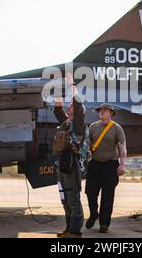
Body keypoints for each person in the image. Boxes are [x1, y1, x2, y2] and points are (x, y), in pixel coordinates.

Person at [85, 103, 127, 233]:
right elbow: (87, 144)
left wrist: (122, 164)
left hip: (110, 165)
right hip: (95, 164)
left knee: (107, 196)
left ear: (111, 113)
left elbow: (122, 148)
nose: (101, 112)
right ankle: (93, 214)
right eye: (100, 110)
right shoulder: (93, 127)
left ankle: (104, 224)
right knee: (90, 193)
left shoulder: (117, 128)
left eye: (104, 110)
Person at [53, 73, 86, 238]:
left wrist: (71, 84)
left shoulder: (78, 124)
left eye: (71, 106)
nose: (69, 106)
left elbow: (78, 104)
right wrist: (59, 87)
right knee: (64, 198)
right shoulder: (66, 123)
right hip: (62, 164)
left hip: (72, 165)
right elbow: (57, 109)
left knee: (73, 199)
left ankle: (75, 231)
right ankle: (68, 229)